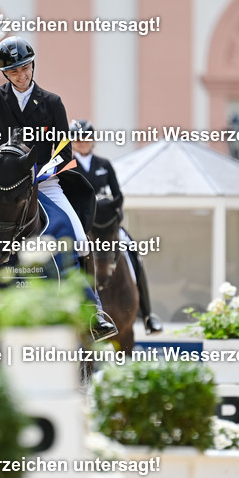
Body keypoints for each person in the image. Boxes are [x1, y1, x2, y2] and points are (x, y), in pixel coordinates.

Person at [0, 18, 116, 340]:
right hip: (3, 183)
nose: (21, 74)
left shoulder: (52, 102)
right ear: (5, 74)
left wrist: (44, 171)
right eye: (14, 71)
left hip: (45, 182)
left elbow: (63, 148)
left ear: (32, 66)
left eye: (25, 68)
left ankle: (95, 311)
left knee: (80, 237)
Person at [69, 118, 162, 333]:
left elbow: (118, 194)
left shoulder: (104, 165)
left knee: (133, 253)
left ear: (92, 141)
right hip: (82, 224)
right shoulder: (69, 165)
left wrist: (112, 210)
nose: (82, 142)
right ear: (73, 142)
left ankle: (148, 315)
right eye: (78, 139)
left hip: (107, 223)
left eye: (86, 138)